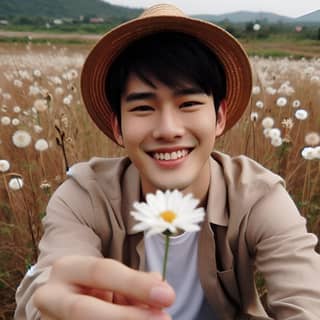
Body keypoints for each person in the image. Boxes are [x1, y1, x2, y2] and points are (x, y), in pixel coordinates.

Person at [15, 4, 320, 320]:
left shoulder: (258, 196)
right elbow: (48, 281)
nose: (168, 130)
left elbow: (307, 303)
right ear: (117, 127)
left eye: (188, 103)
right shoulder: (85, 196)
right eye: (143, 108)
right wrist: (50, 309)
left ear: (219, 117)